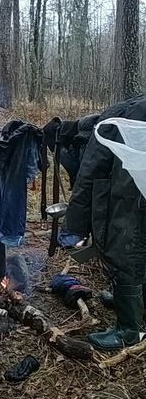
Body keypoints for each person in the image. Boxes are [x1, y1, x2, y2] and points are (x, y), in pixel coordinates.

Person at [63, 96, 146, 350]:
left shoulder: (121, 114)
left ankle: (129, 330)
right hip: (134, 195)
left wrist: (74, 226)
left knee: (124, 253)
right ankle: (133, 302)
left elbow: (89, 173)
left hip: (127, 198)